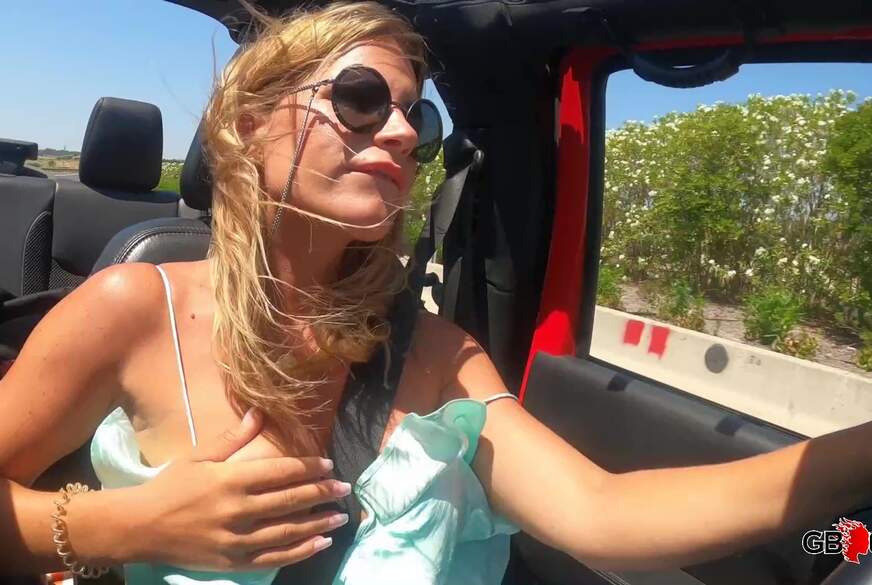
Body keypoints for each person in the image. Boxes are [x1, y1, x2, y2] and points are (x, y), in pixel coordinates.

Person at [2, 1, 872, 583]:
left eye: (416, 116)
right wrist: (135, 524)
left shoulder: (434, 352)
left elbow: (603, 512)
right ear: (248, 125)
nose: (398, 133)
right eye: (358, 99)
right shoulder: (131, 306)